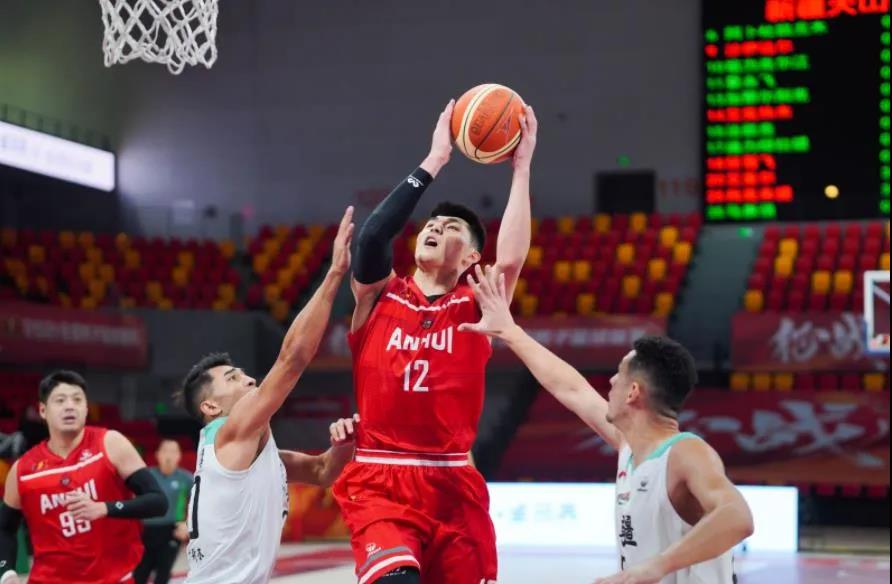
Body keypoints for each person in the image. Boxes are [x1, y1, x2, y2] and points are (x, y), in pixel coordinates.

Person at [333, 100, 537, 584]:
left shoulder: (477, 303)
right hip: (382, 477)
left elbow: (510, 261)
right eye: (431, 224)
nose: (435, 227)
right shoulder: (380, 295)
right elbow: (372, 239)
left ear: (471, 257)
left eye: (451, 228)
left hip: (452, 482)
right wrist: (435, 160)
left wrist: (521, 169)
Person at [460, 265, 755, 584]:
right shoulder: (631, 446)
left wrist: (658, 565)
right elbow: (571, 388)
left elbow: (738, 516)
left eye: (620, 374)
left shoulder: (684, 452)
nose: (611, 381)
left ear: (633, 392)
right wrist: (510, 331)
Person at [176, 207, 360, 584]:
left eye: (244, 373)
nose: (249, 380)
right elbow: (292, 360)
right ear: (211, 406)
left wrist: (343, 445)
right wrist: (333, 275)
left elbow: (322, 471)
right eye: (233, 378)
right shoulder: (232, 432)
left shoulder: (247, 452)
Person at [0, 370, 168, 584]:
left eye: (77, 399)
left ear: (86, 408)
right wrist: (6, 572)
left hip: (111, 579)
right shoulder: (23, 469)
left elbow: (158, 501)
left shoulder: (110, 443)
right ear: (43, 410)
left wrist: (104, 508)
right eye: (60, 400)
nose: (70, 406)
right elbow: (4, 528)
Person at [133, 439, 193, 584]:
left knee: (163, 573)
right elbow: (134, 502)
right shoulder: (147, 476)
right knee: (140, 573)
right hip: (145, 531)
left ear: (179, 455)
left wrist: (187, 524)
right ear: (157, 454)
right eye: (165, 451)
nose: (168, 455)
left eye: (173, 451)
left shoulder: (187, 479)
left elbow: (199, 505)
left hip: (172, 531)